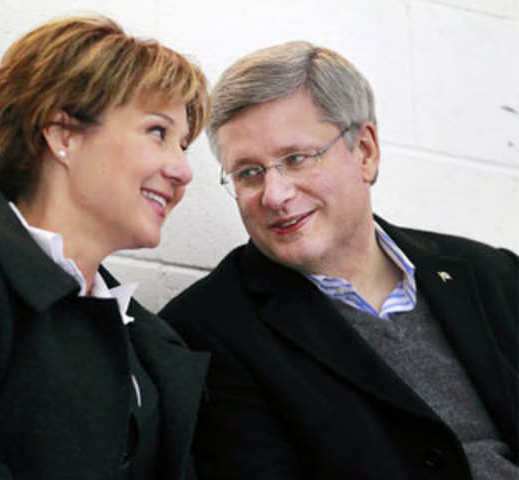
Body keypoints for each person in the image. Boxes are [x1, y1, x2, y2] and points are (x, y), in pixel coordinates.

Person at [160, 41, 518, 479]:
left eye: (296, 159)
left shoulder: (493, 275)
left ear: (365, 151)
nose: (274, 195)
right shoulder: (207, 330)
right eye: (249, 172)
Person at [0, 15, 210, 480]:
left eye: (183, 145)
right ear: (63, 135)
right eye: (158, 132)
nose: (182, 170)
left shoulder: (146, 338)